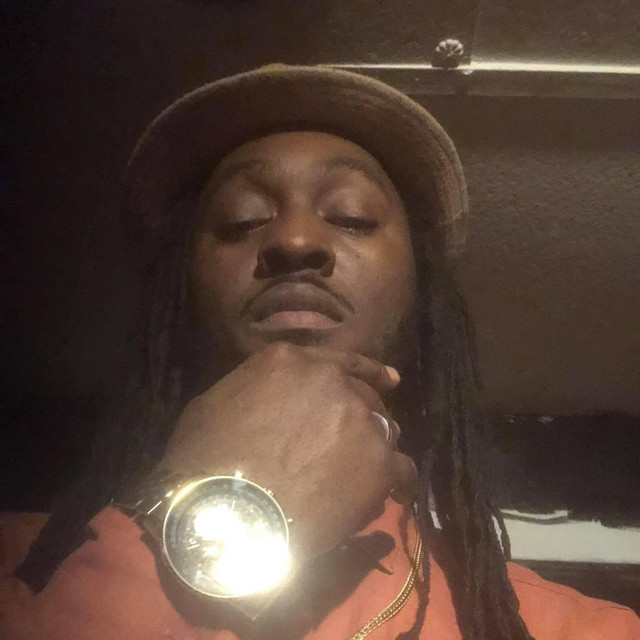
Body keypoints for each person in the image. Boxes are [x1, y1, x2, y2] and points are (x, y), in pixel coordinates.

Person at [1, 64, 638, 640]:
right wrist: (199, 521)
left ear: (420, 296)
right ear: (182, 294)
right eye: (242, 219)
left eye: (353, 216)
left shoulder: (584, 631)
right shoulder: (18, 572)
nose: (296, 239)